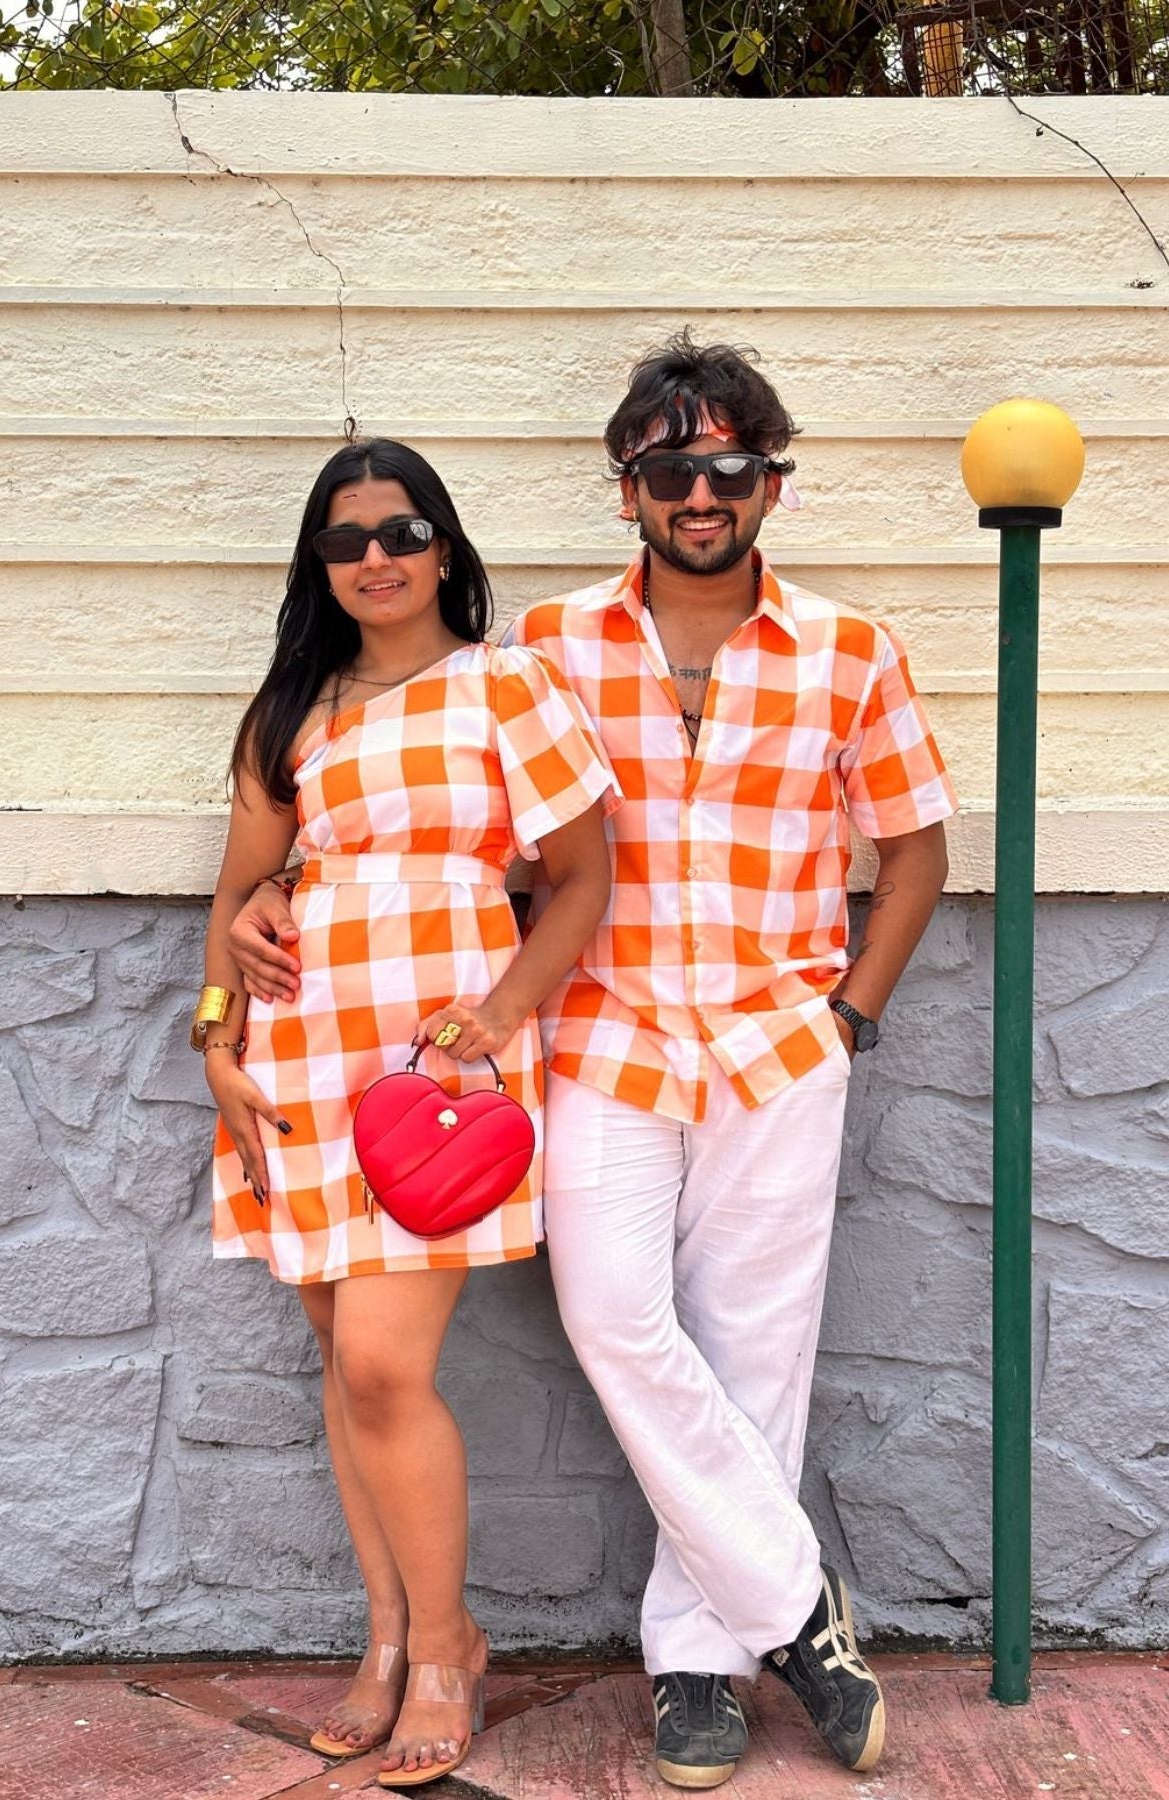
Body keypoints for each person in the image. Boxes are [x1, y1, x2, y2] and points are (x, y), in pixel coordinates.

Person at [229, 337, 957, 1788]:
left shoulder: (851, 650)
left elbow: (916, 846)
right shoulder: (549, 649)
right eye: (671, 466)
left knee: (757, 1356)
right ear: (628, 487)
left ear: (772, 483)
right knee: (616, 1320)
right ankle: (800, 1608)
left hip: (779, 1040)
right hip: (605, 1039)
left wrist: (849, 1017)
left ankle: (700, 1663)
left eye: (730, 464)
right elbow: (425, 792)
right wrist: (271, 896)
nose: (701, 491)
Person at [195, 437, 616, 1787]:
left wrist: (500, 1016)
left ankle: (449, 1647)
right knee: (343, 1355)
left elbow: (583, 878)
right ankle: (387, 1637)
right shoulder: (292, 711)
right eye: (345, 539)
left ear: (443, 548)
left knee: (383, 1364)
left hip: (435, 1069)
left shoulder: (507, 684)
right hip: (301, 1059)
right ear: (318, 564)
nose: (374, 557)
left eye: (401, 531)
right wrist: (216, 1041)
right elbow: (237, 896)